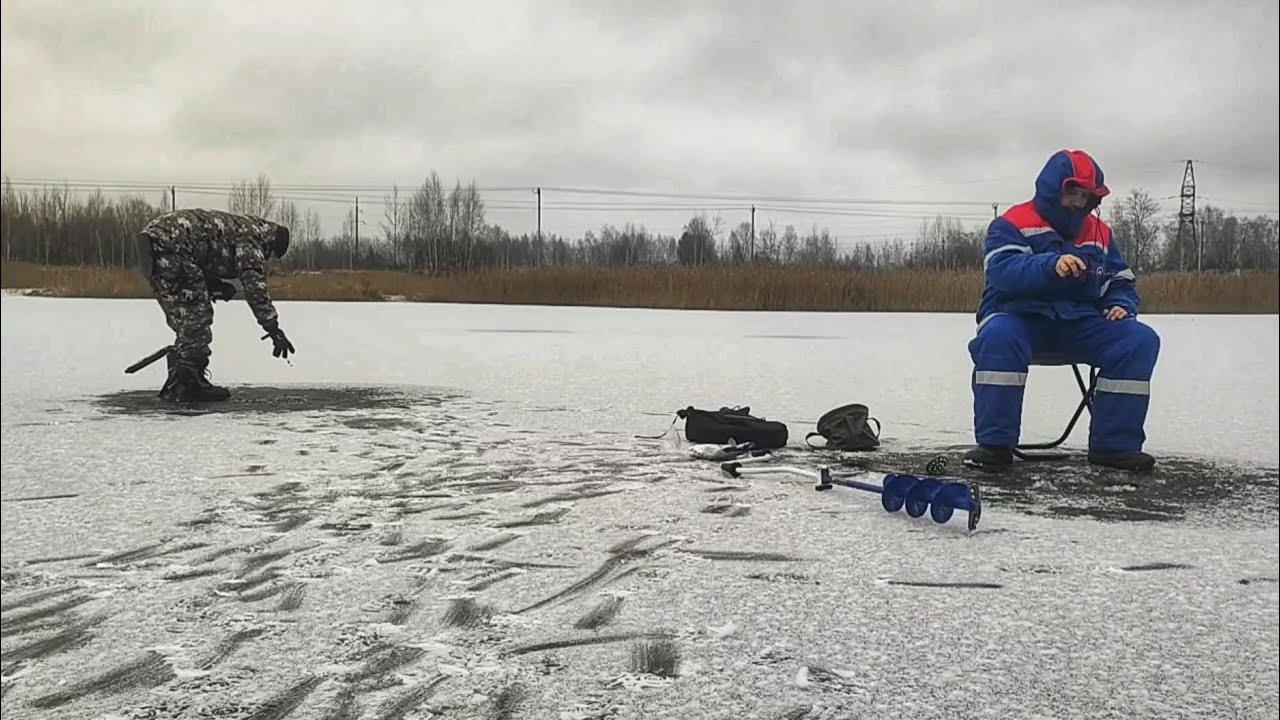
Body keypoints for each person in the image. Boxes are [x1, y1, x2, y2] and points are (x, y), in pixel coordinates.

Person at [965, 149, 1160, 471]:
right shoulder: (1011, 223)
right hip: (1019, 318)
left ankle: (1114, 447)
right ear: (1052, 187)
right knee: (998, 335)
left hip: (1080, 323)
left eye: (1085, 196)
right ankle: (995, 445)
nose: (1078, 202)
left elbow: (1120, 279)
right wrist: (1050, 265)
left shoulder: (1101, 233)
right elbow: (1002, 271)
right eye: (1072, 192)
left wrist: (1120, 304)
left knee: (1138, 339)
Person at [135, 208, 296, 402]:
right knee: (197, 318)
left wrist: (216, 285)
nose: (267, 259)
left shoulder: (241, 227)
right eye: (271, 255)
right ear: (271, 244)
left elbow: (201, 252)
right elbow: (255, 288)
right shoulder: (252, 239)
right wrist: (273, 329)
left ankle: (181, 379)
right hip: (172, 245)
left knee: (184, 319)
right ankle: (190, 385)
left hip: (156, 242)